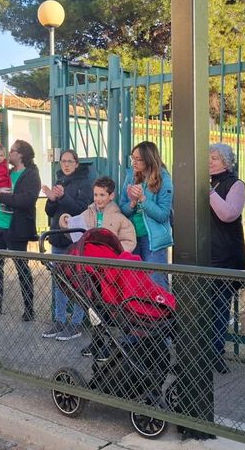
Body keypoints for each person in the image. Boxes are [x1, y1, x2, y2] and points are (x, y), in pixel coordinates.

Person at [69, 176, 138, 358]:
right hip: (91, 270)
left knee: (109, 308)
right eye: (95, 195)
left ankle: (109, 343)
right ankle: (97, 341)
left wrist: (116, 254)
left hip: (109, 271)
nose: (98, 199)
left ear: (111, 196)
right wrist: (65, 220)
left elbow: (129, 240)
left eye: (102, 195)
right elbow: (75, 224)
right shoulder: (89, 213)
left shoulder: (119, 218)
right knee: (93, 307)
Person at [0, 139, 42, 321]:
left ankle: (29, 309)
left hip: (16, 228)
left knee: (22, 268)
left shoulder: (31, 174)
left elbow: (26, 200)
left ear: (21, 154)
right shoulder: (6, 172)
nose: (8, 154)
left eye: (12, 151)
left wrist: (1, 196)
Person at [41, 149, 94, 341]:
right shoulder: (59, 181)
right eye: (63, 161)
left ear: (77, 163)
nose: (66, 165)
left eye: (70, 161)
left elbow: (81, 210)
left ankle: (77, 323)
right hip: (57, 237)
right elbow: (49, 211)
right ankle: (60, 320)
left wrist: (63, 197)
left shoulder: (85, 184)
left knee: (78, 281)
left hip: (75, 240)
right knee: (59, 283)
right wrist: (52, 200)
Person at [208, 143, 245, 374]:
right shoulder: (202, 182)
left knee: (219, 307)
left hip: (224, 256)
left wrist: (210, 193)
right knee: (199, 307)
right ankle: (199, 351)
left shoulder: (235, 184)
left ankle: (216, 353)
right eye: (208, 158)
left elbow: (228, 214)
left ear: (226, 161)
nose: (209, 161)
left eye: (214, 158)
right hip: (202, 254)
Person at [118, 141, 174, 289]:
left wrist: (143, 199)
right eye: (132, 158)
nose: (134, 162)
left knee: (156, 285)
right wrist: (132, 203)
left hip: (153, 241)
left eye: (138, 159)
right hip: (131, 238)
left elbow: (163, 215)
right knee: (134, 285)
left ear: (149, 159)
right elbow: (122, 209)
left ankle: (162, 312)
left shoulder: (164, 179)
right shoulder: (130, 176)